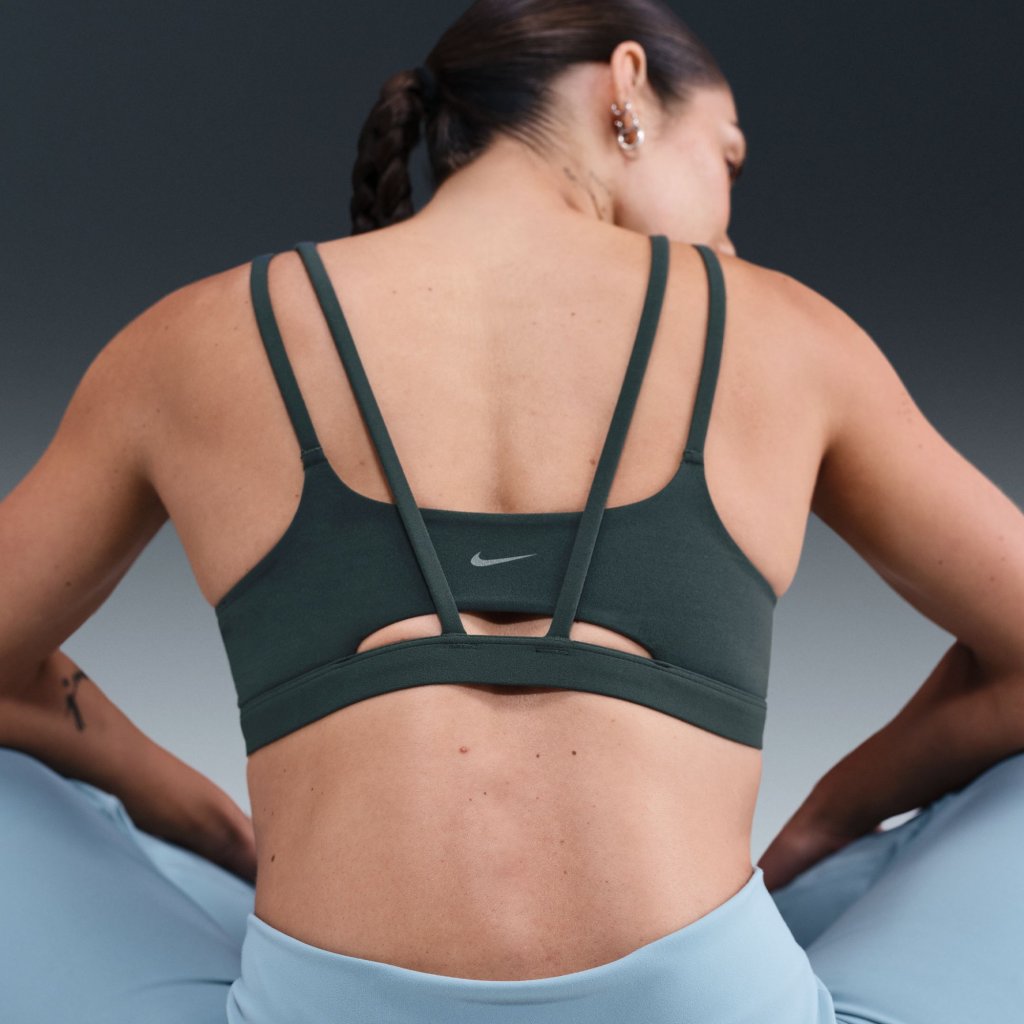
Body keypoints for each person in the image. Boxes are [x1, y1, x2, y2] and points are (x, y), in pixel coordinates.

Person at [1, 1, 1022, 1021]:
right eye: (727, 159)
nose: (727, 225)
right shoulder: (783, 327)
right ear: (627, 85)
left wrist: (213, 832)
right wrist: (826, 828)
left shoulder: (197, 334)